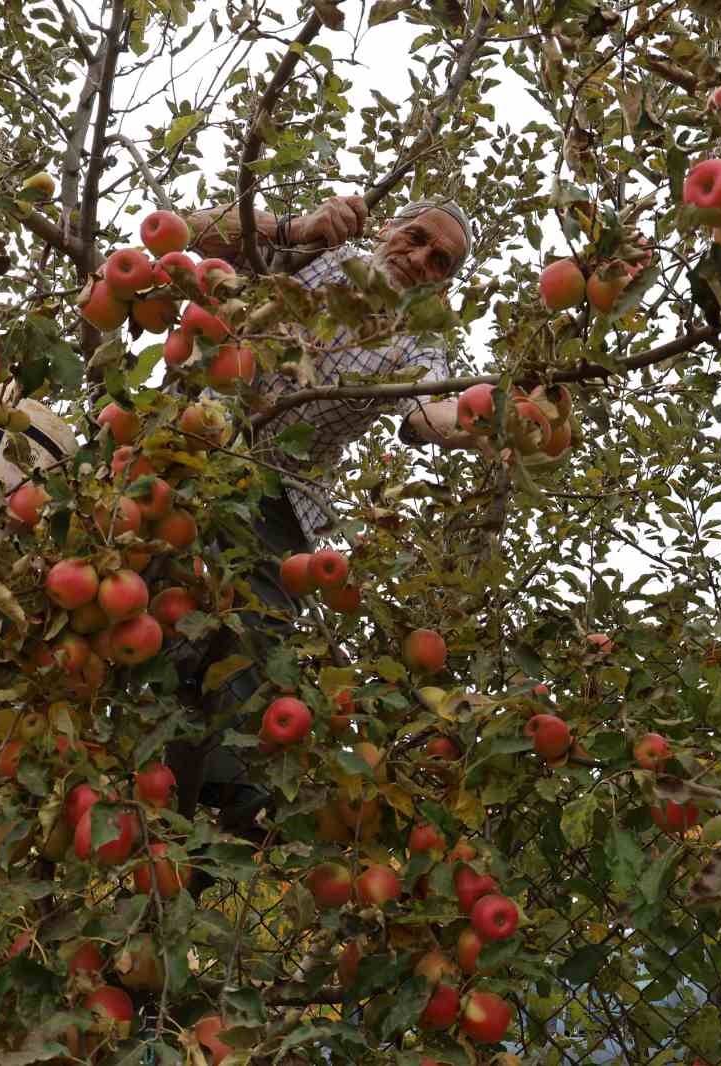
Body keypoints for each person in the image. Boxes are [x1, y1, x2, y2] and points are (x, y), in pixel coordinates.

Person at [165, 194, 479, 827]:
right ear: (388, 228)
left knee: (253, 635)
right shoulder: (316, 253)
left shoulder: (421, 340)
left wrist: (479, 419)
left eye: (439, 261)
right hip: (187, 439)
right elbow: (185, 233)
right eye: (414, 238)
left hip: (281, 492)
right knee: (152, 587)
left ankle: (222, 800)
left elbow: (425, 412)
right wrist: (291, 224)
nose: (418, 258)